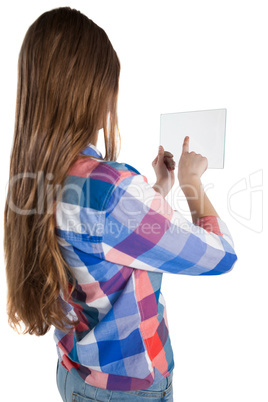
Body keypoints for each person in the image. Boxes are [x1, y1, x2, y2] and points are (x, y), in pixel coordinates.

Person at [3, 6, 238, 402]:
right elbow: (221, 255)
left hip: (75, 377)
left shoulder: (39, 176)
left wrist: (158, 192)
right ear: (88, 89)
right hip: (127, 392)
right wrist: (192, 183)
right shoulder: (113, 191)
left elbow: (102, 244)